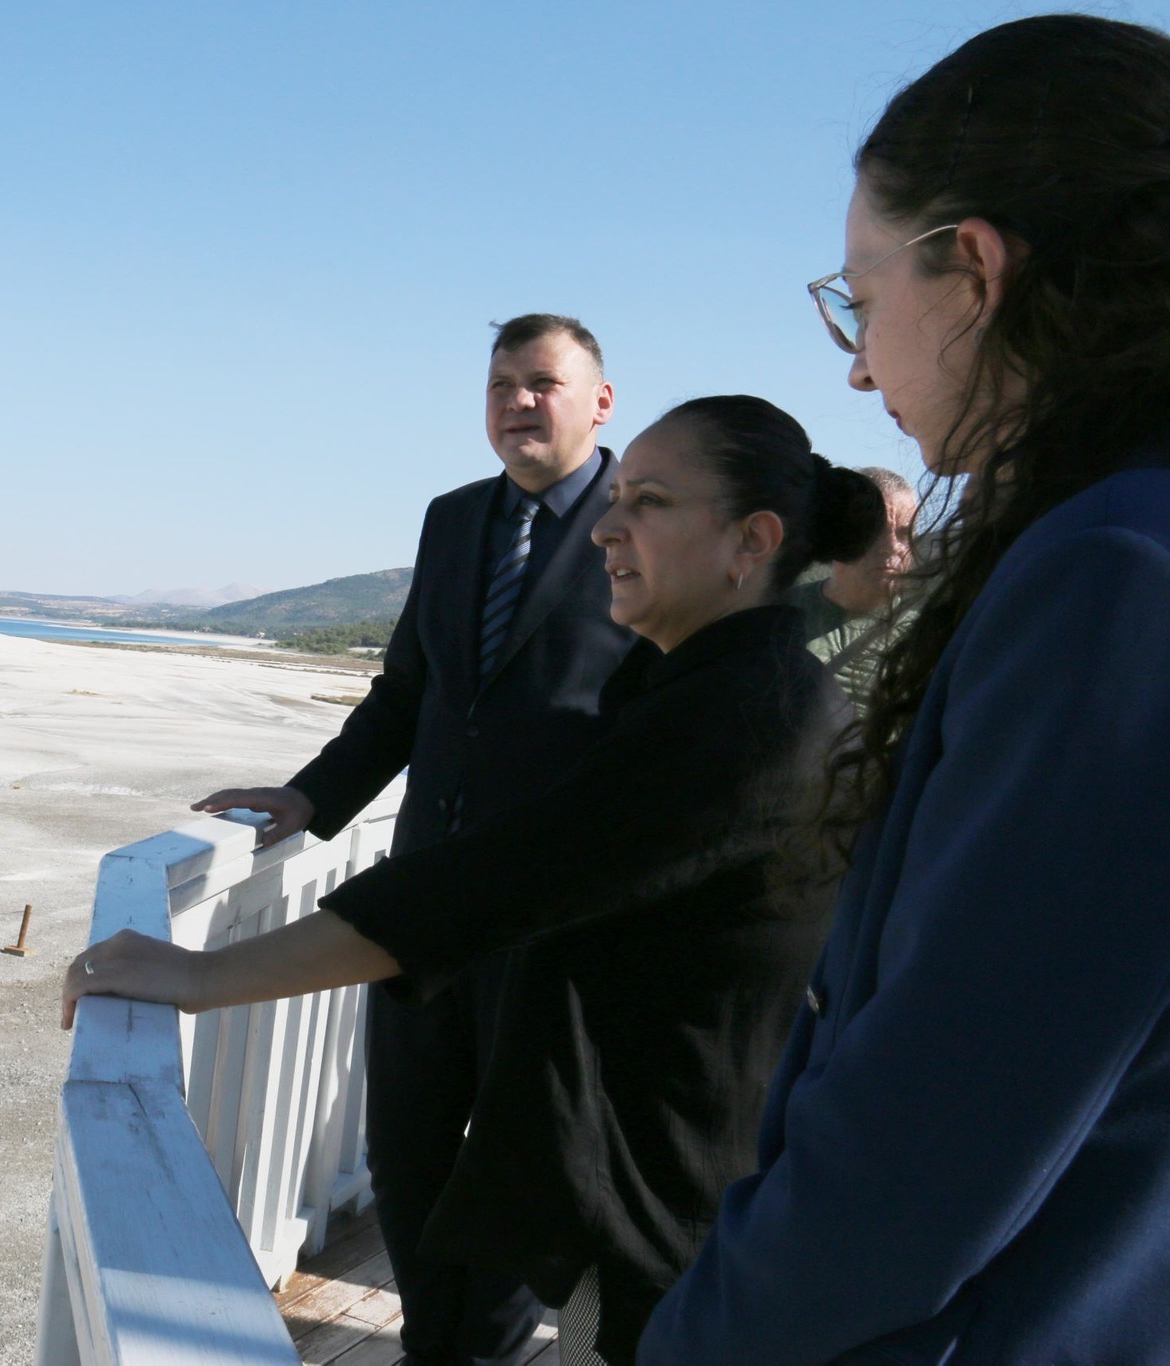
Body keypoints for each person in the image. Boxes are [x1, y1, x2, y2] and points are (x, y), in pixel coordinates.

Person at [69, 396, 887, 1364]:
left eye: (649, 503)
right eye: (615, 499)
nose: (607, 531)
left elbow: (493, 881)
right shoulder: (717, 688)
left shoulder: (746, 720)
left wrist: (197, 976)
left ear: (750, 542)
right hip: (670, 1208)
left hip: (676, 1232)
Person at [640, 15, 1170, 1362]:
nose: (861, 366)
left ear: (976, 268)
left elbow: (919, 1159)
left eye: (860, 301)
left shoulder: (1117, 573)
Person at [191, 314, 637, 1364]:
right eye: (498, 384)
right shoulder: (452, 519)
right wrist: (308, 798)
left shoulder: (645, 521)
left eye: (541, 383)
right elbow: (406, 697)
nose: (516, 402)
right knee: (409, 1161)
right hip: (420, 911)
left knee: (519, 1182)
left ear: (599, 402)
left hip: (552, 921)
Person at [788, 466, 919, 709]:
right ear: (842, 531)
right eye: (877, 531)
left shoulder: (924, 638)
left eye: (903, 534)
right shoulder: (779, 613)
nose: (891, 547)